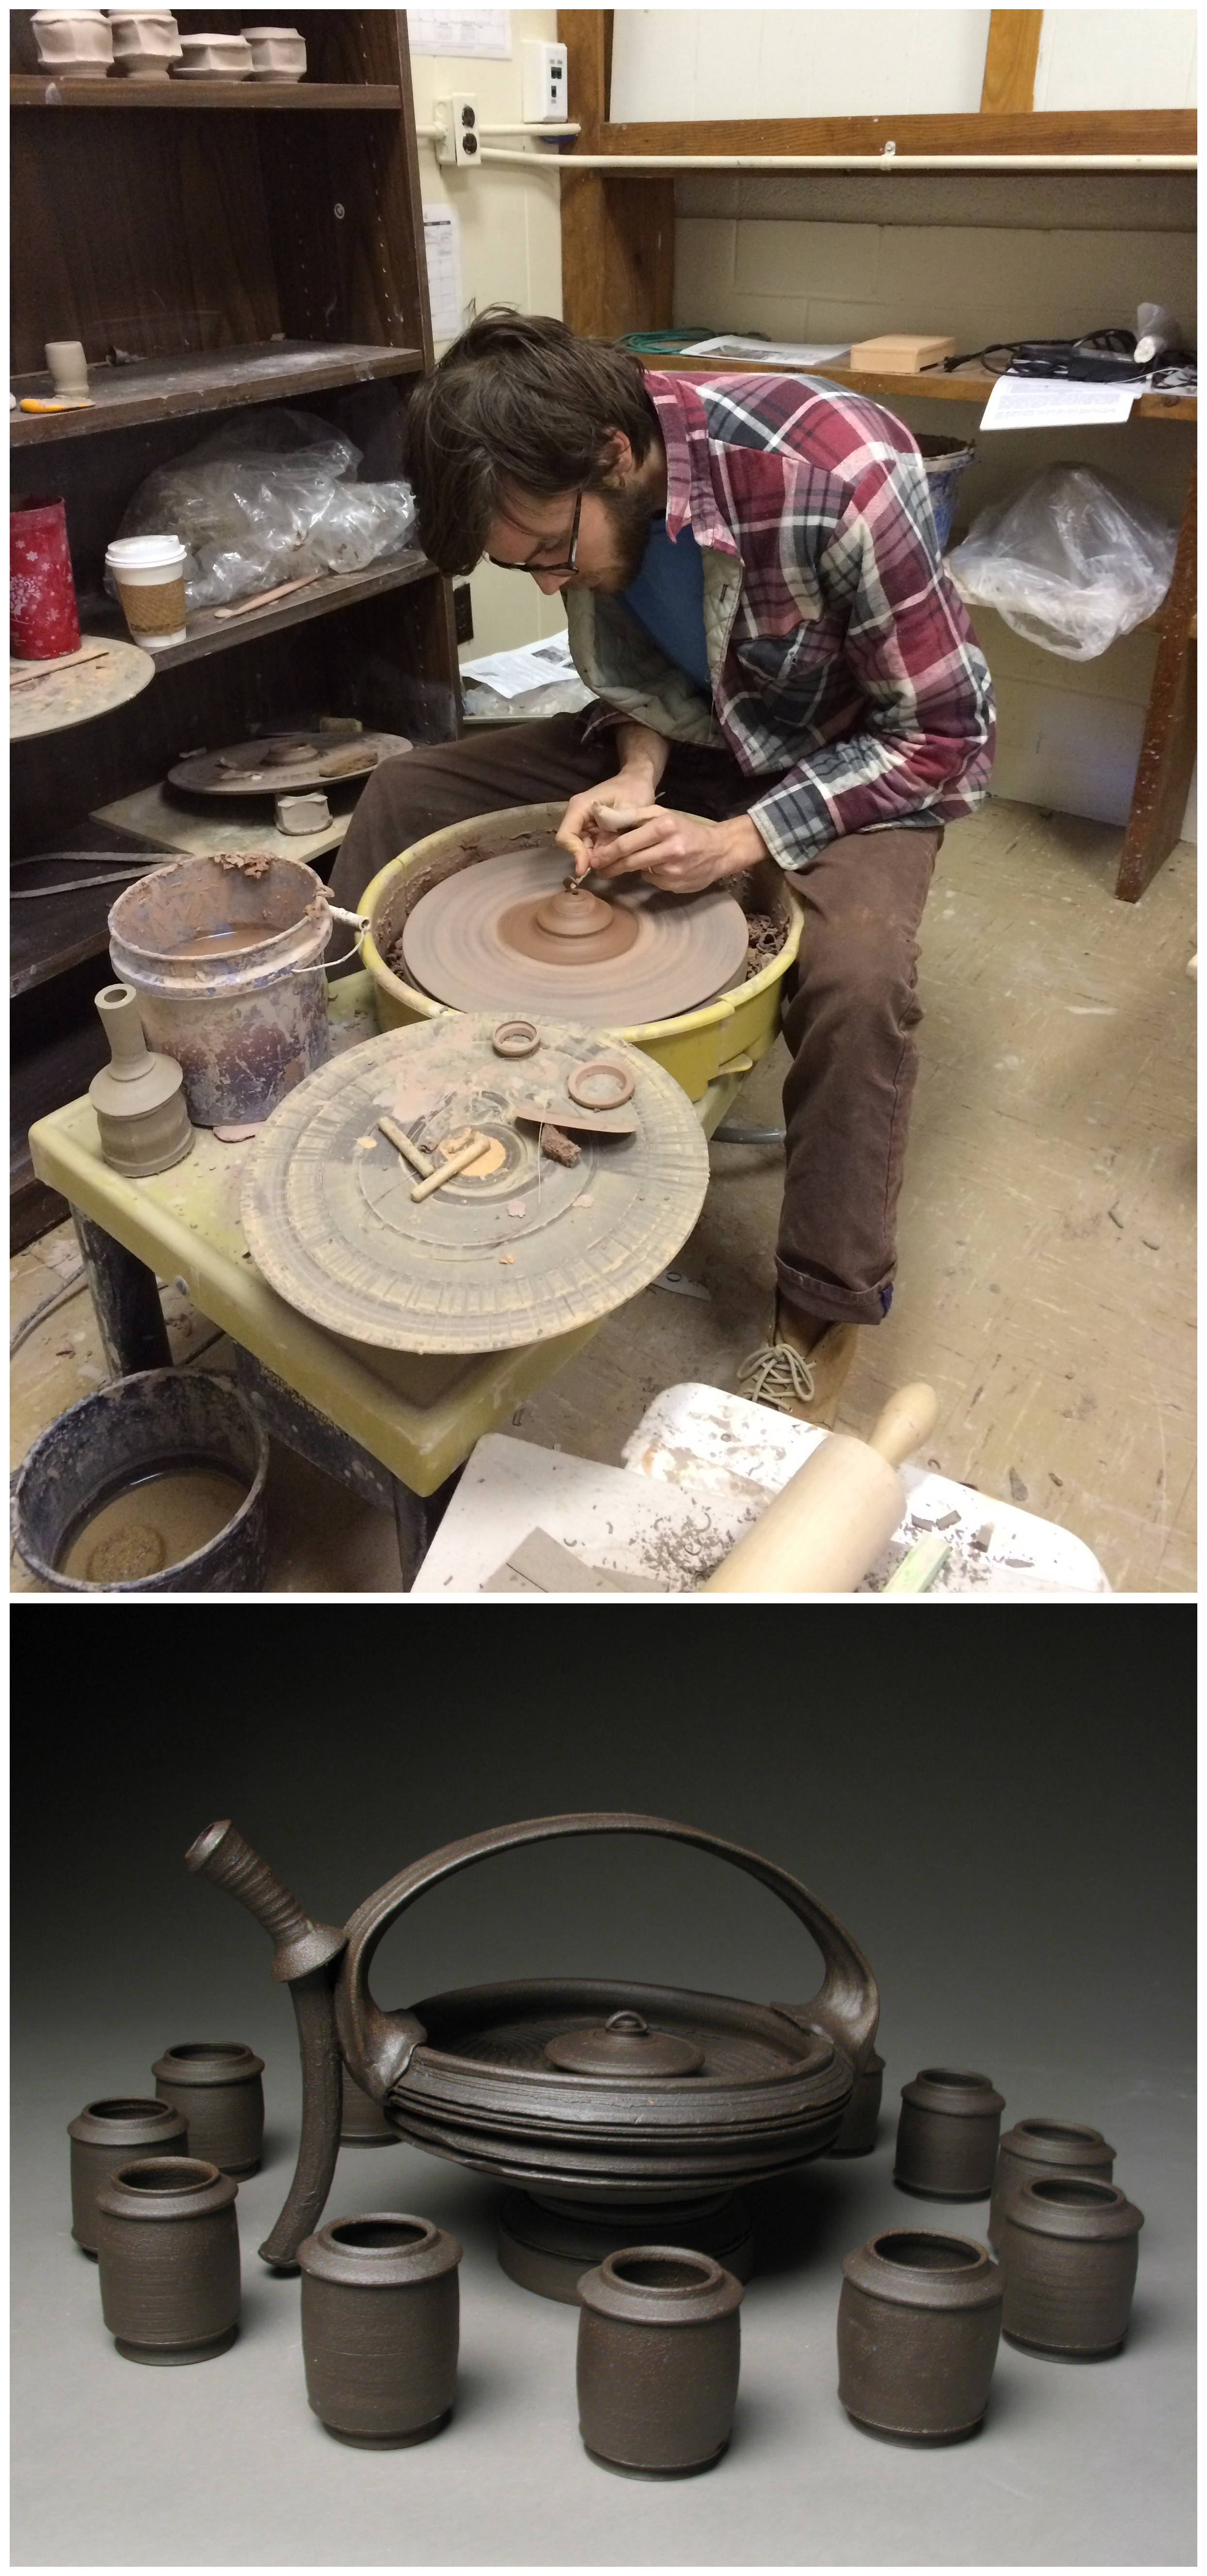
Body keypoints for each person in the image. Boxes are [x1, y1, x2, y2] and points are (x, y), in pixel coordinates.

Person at [331, 310, 995, 1424]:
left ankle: (818, 1311)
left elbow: (944, 735)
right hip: (696, 745)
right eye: (519, 565)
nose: (546, 584)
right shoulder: (585, 504)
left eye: (550, 552)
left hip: (853, 762)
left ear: (614, 452)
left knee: (857, 982)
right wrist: (637, 771)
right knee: (408, 791)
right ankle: (347, 1081)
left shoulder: (837, 473)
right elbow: (642, 680)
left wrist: (742, 841)